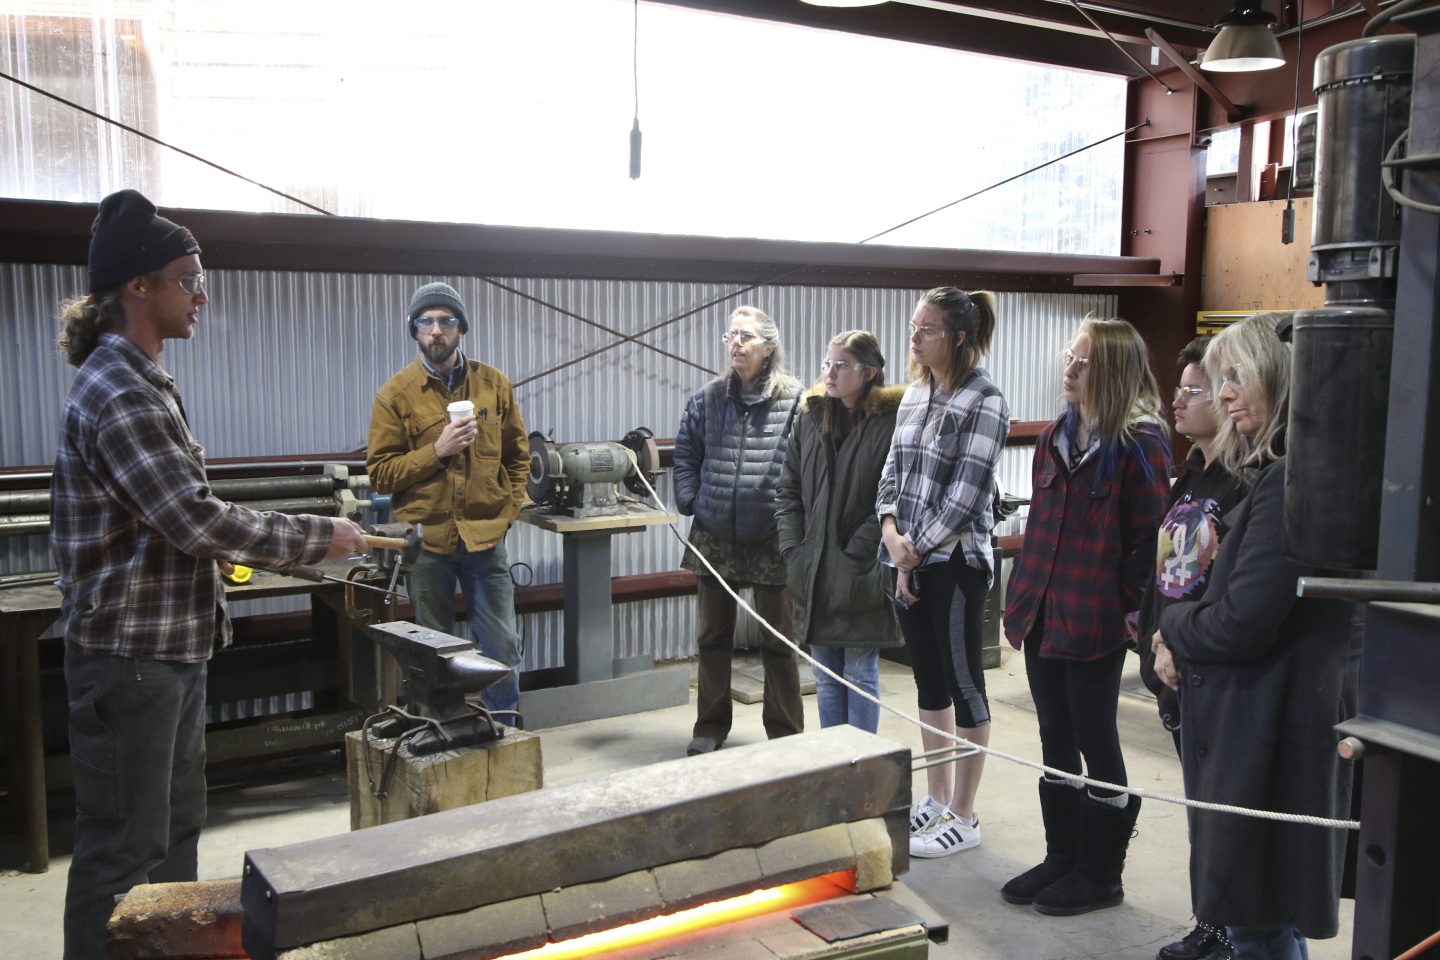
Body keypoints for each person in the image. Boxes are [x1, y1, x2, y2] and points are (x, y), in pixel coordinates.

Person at [50, 189, 368, 960]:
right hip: (131, 661)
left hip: (167, 653)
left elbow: (165, 521)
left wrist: (218, 548)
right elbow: (193, 517)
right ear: (139, 286)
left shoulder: (145, 379)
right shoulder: (119, 389)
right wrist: (320, 538)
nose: (201, 295)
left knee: (174, 834)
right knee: (124, 848)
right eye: (188, 279)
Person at [1155, 313, 1359, 960]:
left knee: (1260, 923)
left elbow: (1242, 620)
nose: (1225, 394)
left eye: (1237, 377)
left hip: (1267, 734)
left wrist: (1173, 626)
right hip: (1265, 725)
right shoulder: (1291, 473)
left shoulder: (1288, 482)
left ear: (1281, 375)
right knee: (1264, 920)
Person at [1001, 317, 1171, 916]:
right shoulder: (1055, 436)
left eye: (1084, 362)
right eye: (1068, 358)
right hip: (1042, 611)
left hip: (1095, 619)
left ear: (1115, 372)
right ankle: (1062, 857)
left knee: (1095, 738)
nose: (1069, 370)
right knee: (1054, 735)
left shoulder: (1141, 445)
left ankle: (1100, 873)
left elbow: (1148, 545)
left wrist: (1125, 612)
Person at [876, 288, 1008, 859]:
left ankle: (964, 813)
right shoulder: (915, 394)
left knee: (964, 682)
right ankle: (935, 797)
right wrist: (891, 534)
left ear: (958, 337)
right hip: (907, 556)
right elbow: (891, 472)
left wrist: (913, 551)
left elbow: (967, 495)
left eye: (927, 329)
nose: (915, 337)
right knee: (928, 681)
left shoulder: (986, 400)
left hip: (955, 563)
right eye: (913, 326)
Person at [367, 281, 529, 717]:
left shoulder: (494, 385)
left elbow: (518, 458)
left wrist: (507, 513)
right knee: (433, 652)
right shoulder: (395, 395)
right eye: (426, 321)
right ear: (415, 329)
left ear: (461, 328)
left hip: (485, 539)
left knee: (501, 648)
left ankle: (504, 731)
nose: (436, 330)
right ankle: (444, 734)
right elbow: (381, 473)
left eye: (446, 321)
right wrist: (436, 451)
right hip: (427, 545)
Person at [1136, 337, 1249, 960]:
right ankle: (1211, 920)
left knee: (1225, 812)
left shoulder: (1244, 482)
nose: (1176, 401)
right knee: (1199, 807)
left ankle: (1232, 930)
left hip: (1207, 665)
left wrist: (1179, 642)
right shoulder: (1190, 474)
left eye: (1192, 391)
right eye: (1176, 390)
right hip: (1171, 663)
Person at [674, 305, 803, 756]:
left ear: (768, 347)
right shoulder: (707, 399)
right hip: (714, 536)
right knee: (712, 638)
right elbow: (686, 454)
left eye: (745, 336)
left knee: (779, 641)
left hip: (772, 539)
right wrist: (691, 500)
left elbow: (807, 465)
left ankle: (785, 735)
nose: (735, 344)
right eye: (731, 336)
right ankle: (709, 727)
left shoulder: (796, 401)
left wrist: (793, 521)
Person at [776, 330, 905, 733]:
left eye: (841, 365)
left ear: (869, 373)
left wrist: (858, 550)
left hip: (861, 571)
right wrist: (793, 549)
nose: (829, 373)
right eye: (827, 364)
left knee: (859, 674)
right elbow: (788, 490)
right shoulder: (810, 417)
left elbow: (895, 495)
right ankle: (835, 760)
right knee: (826, 676)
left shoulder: (891, 424)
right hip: (812, 568)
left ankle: (863, 761)